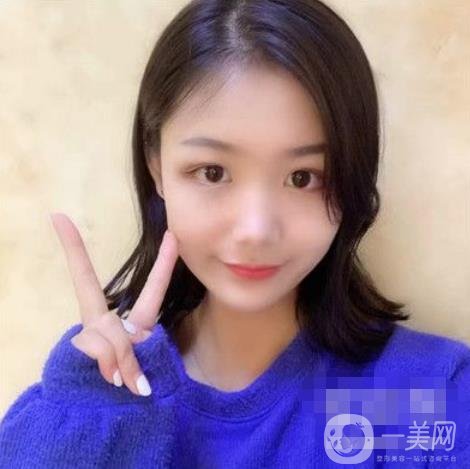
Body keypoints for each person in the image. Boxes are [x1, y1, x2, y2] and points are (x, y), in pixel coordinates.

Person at [0, 0, 469, 467]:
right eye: (213, 172)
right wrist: (87, 432)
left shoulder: (426, 395)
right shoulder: (80, 406)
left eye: (303, 177)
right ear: (156, 166)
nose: (255, 230)